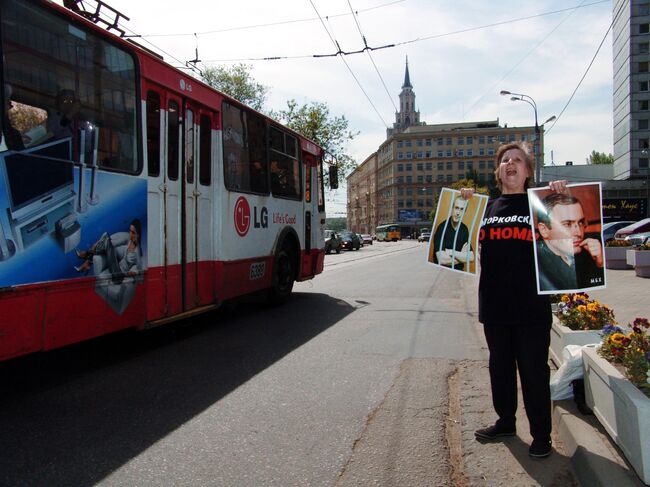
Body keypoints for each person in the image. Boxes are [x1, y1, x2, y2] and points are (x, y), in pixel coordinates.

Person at [460, 141, 567, 459]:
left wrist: (561, 194)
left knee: (534, 372)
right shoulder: (486, 208)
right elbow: (463, 242)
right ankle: (506, 422)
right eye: (505, 160)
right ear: (498, 171)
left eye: (517, 159)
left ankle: (541, 435)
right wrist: (465, 203)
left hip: (532, 307)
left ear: (528, 170)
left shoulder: (542, 205)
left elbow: (564, 242)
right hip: (495, 305)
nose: (510, 163)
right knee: (500, 369)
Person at [535, 192, 604, 291]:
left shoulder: (590, 254)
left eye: (580, 222)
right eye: (567, 224)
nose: (578, 232)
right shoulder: (535, 261)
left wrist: (600, 264)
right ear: (544, 230)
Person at [74, 219, 142, 282]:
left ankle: (87, 256)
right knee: (105, 236)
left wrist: (133, 273)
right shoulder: (129, 241)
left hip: (118, 275)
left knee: (106, 241)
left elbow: (139, 269)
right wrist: (104, 243)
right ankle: (88, 260)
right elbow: (114, 242)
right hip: (115, 267)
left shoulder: (137, 251)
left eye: (133, 232)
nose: (130, 234)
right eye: (130, 231)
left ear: (138, 235)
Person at [432, 194, 474, 271]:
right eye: (456, 208)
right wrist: (462, 256)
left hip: (459, 274)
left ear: (464, 212)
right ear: (452, 209)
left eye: (462, 209)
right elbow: (442, 260)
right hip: (441, 273)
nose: (458, 212)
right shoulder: (442, 228)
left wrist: (451, 252)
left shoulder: (464, 229)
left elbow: (471, 257)